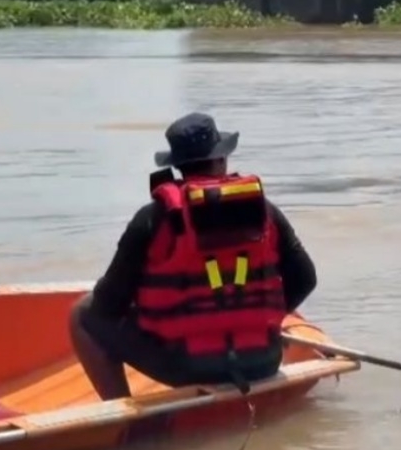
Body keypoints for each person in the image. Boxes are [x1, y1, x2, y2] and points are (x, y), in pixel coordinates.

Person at [69, 112, 318, 401]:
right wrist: (260, 322)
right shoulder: (265, 211)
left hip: (187, 367)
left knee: (82, 314)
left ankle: (125, 416)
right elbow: (306, 279)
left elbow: (107, 304)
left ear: (177, 167)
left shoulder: (153, 218)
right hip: (262, 360)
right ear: (221, 159)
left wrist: (154, 309)